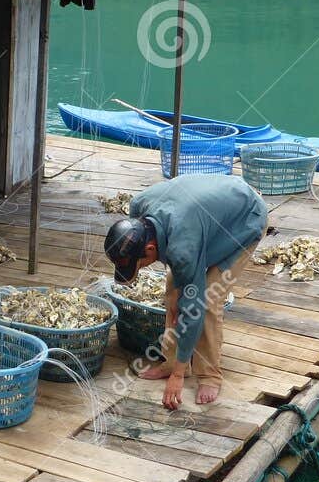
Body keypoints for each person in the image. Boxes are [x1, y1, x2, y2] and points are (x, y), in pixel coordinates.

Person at [104, 174, 267, 410]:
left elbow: (192, 311)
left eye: (139, 264)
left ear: (150, 249)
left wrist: (178, 378)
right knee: (172, 294)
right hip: (207, 215)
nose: (139, 269)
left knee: (209, 298)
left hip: (244, 219)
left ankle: (209, 375)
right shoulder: (138, 205)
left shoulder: (182, 251)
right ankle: (170, 361)